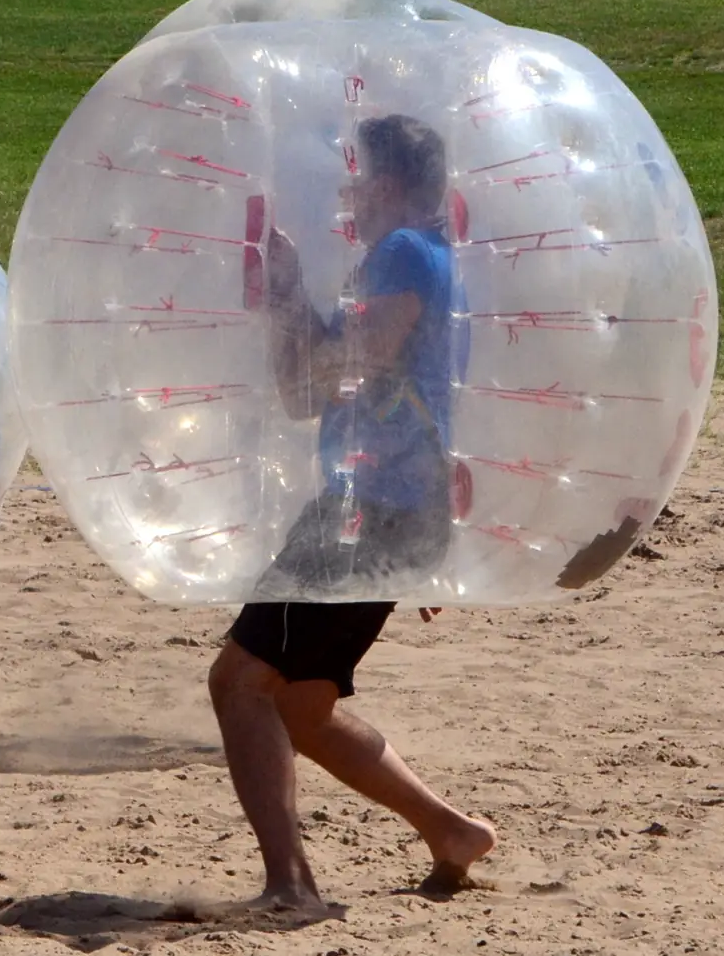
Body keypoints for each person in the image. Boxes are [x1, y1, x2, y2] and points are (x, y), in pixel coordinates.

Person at [207, 113, 496, 913]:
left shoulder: (405, 250)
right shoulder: (401, 260)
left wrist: (303, 319)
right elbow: (306, 393)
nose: (347, 192)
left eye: (358, 176)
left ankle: (291, 885)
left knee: (239, 682)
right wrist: (286, 292)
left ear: (390, 184)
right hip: (385, 506)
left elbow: (354, 361)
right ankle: (451, 831)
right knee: (300, 706)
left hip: (368, 509)